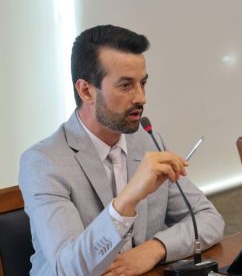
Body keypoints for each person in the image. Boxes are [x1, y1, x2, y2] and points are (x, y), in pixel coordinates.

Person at [19, 25, 224, 275]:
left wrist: (155, 248)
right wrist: (128, 199)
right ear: (86, 90)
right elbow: (68, 267)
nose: (141, 98)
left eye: (143, 83)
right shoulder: (43, 162)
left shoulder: (147, 140)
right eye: (126, 86)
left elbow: (209, 220)